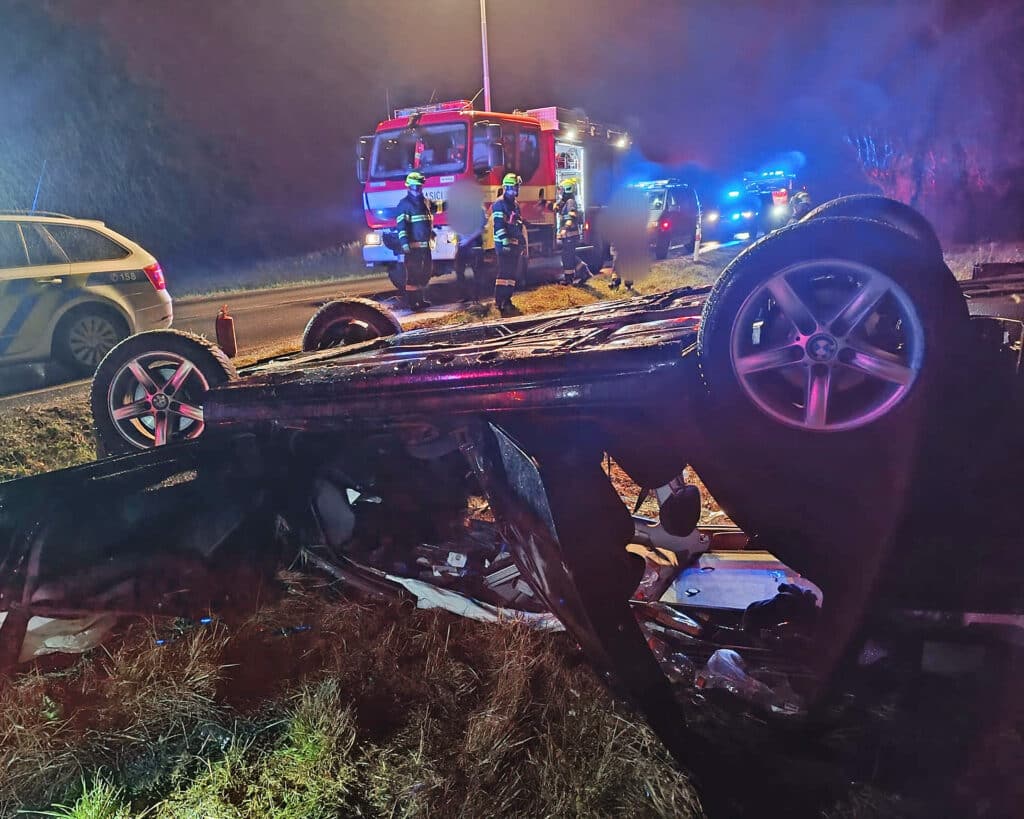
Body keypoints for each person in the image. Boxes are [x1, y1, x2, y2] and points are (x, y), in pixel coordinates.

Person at [396, 171, 435, 310]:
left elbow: (438, 207)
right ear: (408, 186)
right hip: (413, 247)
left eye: (419, 186)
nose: (417, 189)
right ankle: (413, 303)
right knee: (413, 275)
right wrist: (405, 244)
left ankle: (420, 299)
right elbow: (401, 227)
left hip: (425, 246)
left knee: (425, 272)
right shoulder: (404, 204)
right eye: (414, 186)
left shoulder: (425, 202)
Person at [491, 173, 525, 316]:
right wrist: (505, 240)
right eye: (515, 187)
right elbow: (498, 225)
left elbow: (517, 224)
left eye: (517, 187)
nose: (516, 190)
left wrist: (521, 241)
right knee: (504, 274)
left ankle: (507, 300)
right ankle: (499, 302)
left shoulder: (515, 204)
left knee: (511, 275)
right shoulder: (499, 204)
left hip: (514, 244)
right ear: (507, 187)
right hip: (504, 245)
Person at [553, 179, 591, 285]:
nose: (560, 191)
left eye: (561, 189)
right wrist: (546, 203)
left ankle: (571, 278)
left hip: (570, 235)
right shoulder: (565, 201)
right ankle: (582, 272)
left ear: (567, 189)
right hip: (568, 236)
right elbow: (556, 209)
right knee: (568, 256)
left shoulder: (570, 202)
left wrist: (565, 228)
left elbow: (571, 217)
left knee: (568, 257)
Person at [454, 203, 487, 302]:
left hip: (475, 245)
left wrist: (467, 240)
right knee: (459, 270)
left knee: (477, 272)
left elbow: (480, 228)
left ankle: (476, 297)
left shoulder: (479, 210)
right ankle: (464, 296)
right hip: (463, 245)